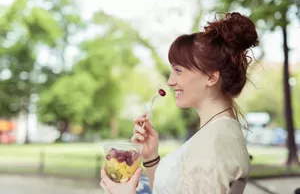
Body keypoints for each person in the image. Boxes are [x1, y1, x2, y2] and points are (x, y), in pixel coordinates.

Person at [100, 12, 259, 194]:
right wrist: (151, 156)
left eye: (178, 70)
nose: (170, 81)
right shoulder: (219, 132)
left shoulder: (212, 143)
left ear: (211, 77)